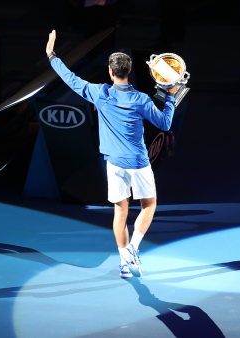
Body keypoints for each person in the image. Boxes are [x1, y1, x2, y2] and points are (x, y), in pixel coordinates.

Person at [45, 30, 179, 278]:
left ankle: (124, 262)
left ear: (110, 71)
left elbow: (68, 77)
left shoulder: (99, 93)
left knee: (121, 211)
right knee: (149, 205)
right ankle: (133, 249)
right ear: (127, 72)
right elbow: (164, 124)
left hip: (114, 164)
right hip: (138, 163)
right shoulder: (141, 99)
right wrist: (170, 98)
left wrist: (51, 54)